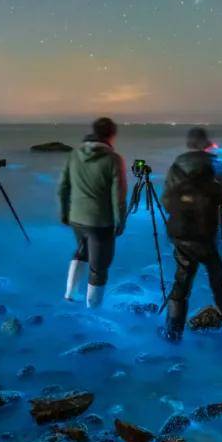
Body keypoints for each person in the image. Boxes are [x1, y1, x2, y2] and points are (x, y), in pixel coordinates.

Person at [161, 127, 222, 339]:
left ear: (189, 143)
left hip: (182, 234)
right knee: (218, 278)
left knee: (182, 280)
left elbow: (166, 201)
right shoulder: (218, 167)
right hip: (211, 235)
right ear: (206, 143)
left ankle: (173, 332)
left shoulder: (176, 167)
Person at [58, 117, 128, 307]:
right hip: (101, 221)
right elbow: (118, 196)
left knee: (82, 251)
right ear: (111, 135)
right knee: (99, 266)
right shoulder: (113, 159)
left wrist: (64, 212)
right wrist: (120, 221)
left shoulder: (74, 155)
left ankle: (69, 295)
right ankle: (93, 310)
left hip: (77, 218)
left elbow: (63, 186)